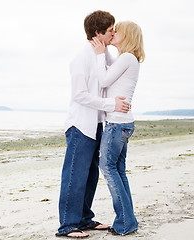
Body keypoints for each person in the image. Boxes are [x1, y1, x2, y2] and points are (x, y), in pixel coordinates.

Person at [56, 10, 131, 239]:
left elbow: (112, 75)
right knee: (74, 176)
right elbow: (79, 95)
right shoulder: (81, 57)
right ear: (98, 32)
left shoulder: (103, 53)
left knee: (90, 176)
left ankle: (85, 218)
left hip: (98, 124)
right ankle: (68, 225)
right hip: (80, 125)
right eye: (110, 30)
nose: (114, 33)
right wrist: (111, 104)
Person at [90, 21, 145, 235]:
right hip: (122, 122)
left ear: (127, 35)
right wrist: (104, 52)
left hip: (117, 123)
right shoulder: (127, 59)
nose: (113, 33)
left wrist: (98, 54)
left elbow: (103, 81)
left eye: (117, 31)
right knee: (118, 171)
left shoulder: (127, 58)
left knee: (109, 169)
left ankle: (126, 222)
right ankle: (128, 220)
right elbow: (109, 72)